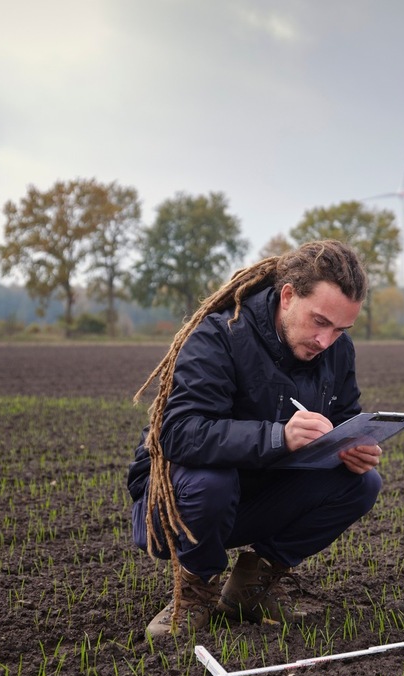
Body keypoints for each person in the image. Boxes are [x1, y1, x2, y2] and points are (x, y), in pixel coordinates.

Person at [127, 239, 383, 640]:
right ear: (287, 296)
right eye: (320, 321)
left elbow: (344, 414)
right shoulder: (219, 336)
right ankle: (194, 591)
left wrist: (354, 444)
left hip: (259, 492)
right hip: (174, 506)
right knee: (213, 482)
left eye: (340, 329)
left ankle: (250, 588)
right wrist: (278, 436)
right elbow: (178, 433)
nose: (326, 341)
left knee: (362, 483)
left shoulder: (336, 350)